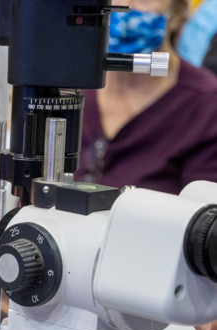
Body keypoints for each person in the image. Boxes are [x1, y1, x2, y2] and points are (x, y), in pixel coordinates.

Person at [75, 0, 217, 194]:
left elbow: (200, 216)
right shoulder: (69, 83)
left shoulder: (207, 106)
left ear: (177, 13)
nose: (123, 6)